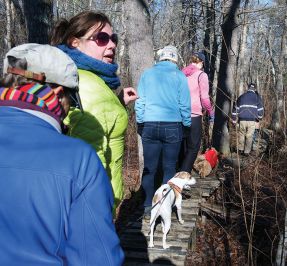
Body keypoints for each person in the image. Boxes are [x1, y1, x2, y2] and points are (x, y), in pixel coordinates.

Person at [0, 43, 124, 265]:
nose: (68, 111)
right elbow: (96, 258)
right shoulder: (79, 159)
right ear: (58, 94)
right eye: (71, 102)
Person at [51, 11, 138, 210]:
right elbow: (90, 164)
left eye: (113, 38)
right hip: (91, 206)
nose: (112, 45)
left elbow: (88, 123)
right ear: (75, 42)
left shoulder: (74, 77)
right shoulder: (88, 85)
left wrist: (117, 103)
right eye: (102, 38)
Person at [135, 45, 191, 213]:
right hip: (173, 126)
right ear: (175, 59)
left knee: (149, 168)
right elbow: (184, 104)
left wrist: (140, 122)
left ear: (160, 58)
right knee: (169, 168)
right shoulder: (180, 76)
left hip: (150, 124)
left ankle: (147, 205)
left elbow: (140, 101)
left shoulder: (147, 74)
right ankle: (164, 206)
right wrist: (186, 125)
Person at [180, 51, 214, 173]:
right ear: (202, 62)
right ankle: (183, 175)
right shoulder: (201, 75)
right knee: (193, 147)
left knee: (182, 147)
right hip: (194, 116)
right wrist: (211, 111)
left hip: (179, 115)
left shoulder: (182, 73)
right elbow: (204, 98)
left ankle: (177, 173)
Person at [232, 83, 264, 156]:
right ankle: (246, 152)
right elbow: (260, 110)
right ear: (255, 89)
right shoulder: (257, 98)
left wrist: (234, 120)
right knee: (249, 136)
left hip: (242, 120)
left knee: (241, 134)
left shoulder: (241, 97)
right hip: (252, 120)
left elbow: (235, 109)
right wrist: (259, 118)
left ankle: (240, 149)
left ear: (248, 88)